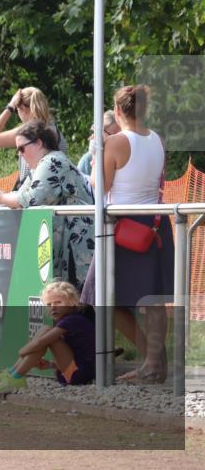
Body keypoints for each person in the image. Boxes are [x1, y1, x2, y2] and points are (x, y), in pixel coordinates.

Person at [80, 85, 174, 384]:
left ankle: (152, 360)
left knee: (102, 298)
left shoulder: (117, 142)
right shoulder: (157, 139)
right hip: (154, 224)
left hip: (122, 226)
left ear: (118, 111)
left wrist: (97, 156)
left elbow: (100, 186)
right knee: (154, 300)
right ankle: (154, 362)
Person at [0, 121, 95, 291]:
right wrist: (3, 197)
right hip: (69, 243)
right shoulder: (40, 166)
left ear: (38, 143)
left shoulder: (53, 161)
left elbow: (30, 199)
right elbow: (20, 195)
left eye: (22, 149)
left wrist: (2, 198)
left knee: (78, 300)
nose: (20, 155)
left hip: (77, 245)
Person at [0, 281, 95, 394]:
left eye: (58, 303)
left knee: (46, 334)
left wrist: (22, 351)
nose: (53, 308)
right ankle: (12, 374)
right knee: (45, 330)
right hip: (74, 373)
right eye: (49, 305)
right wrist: (51, 365)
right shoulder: (67, 319)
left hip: (78, 376)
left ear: (72, 302)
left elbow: (39, 343)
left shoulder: (73, 320)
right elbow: (77, 354)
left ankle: (15, 377)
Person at [0, 87, 68, 189]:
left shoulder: (28, 133)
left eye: (17, 110)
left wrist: (10, 107)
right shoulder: (54, 130)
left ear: (22, 109)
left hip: (33, 192)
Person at [77, 110, 120, 177]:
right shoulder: (87, 161)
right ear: (101, 132)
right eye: (113, 135)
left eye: (120, 135)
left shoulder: (123, 156)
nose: (118, 140)